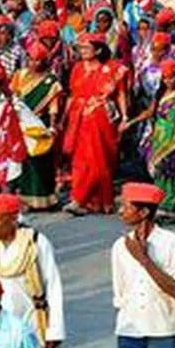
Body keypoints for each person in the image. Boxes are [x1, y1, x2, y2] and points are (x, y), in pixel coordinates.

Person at [0, 193, 65, 348]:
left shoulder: (36, 242)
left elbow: (53, 287)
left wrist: (54, 331)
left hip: (33, 320)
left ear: (13, 219)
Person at [112, 183, 175, 348]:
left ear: (143, 213)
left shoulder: (173, 244)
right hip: (129, 330)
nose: (121, 211)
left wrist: (144, 260)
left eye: (126, 207)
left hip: (163, 329)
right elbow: (120, 292)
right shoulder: (120, 247)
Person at [124, 59, 175, 222]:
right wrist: (130, 122)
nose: (168, 81)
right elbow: (149, 113)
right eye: (165, 78)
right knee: (159, 171)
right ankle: (163, 205)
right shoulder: (160, 95)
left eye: (171, 78)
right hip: (159, 136)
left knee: (173, 172)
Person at [63, 33, 128, 215]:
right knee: (79, 161)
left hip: (100, 118)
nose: (82, 52)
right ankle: (83, 201)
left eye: (86, 48)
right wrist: (63, 119)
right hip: (78, 118)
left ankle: (82, 199)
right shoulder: (76, 69)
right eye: (81, 48)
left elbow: (121, 94)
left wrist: (124, 117)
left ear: (98, 50)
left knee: (97, 160)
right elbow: (71, 95)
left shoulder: (112, 70)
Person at [10, 43, 63, 210]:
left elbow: (53, 107)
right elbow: (13, 96)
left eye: (38, 61)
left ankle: (44, 198)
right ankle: (23, 197)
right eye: (31, 60)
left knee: (40, 161)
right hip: (21, 123)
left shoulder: (51, 82)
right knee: (22, 161)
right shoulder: (19, 75)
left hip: (40, 124)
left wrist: (53, 126)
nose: (34, 64)